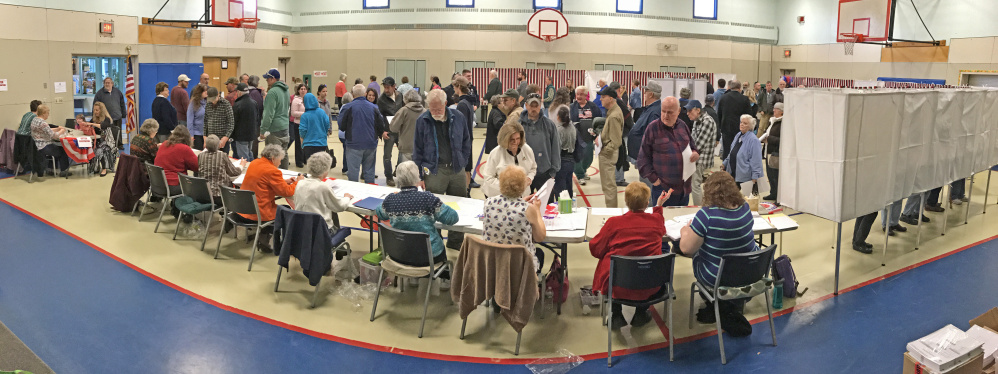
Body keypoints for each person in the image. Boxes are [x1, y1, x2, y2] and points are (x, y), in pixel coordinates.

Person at [678, 171, 757, 337]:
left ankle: (716, 305)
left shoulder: (706, 215)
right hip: (748, 274)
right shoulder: (745, 208)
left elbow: (686, 249)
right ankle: (729, 307)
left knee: (693, 251)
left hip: (719, 278)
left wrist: (685, 231)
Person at [590, 182, 670, 329]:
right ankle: (641, 312)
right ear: (647, 203)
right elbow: (660, 222)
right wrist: (658, 205)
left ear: (626, 202)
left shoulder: (614, 223)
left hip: (619, 285)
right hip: (651, 283)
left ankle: (616, 314)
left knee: (610, 261)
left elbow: (595, 249)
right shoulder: (656, 221)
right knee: (644, 266)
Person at [375, 161, 459, 275]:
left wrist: (391, 199)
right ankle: (442, 278)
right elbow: (452, 218)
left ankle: (413, 280)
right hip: (428, 258)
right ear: (417, 177)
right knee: (437, 239)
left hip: (398, 255)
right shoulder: (427, 198)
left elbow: (380, 213)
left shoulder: (391, 200)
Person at [413, 89, 471, 249]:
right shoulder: (422, 120)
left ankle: (456, 242)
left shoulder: (458, 117)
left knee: (460, 207)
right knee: (433, 208)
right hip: (433, 170)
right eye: (431, 109)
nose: (435, 112)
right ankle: (436, 241)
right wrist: (419, 176)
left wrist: (463, 160)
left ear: (446, 104)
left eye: (438, 109)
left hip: (456, 170)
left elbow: (467, 140)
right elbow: (417, 150)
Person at [237, 144, 303, 253]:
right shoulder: (272, 171)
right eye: (280, 160)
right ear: (273, 158)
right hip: (257, 213)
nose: (280, 163)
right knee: (286, 211)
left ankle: (264, 235)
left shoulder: (254, 163)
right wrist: (298, 182)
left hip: (242, 209)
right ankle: (281, 244)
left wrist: (284, 182)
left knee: (280, 208)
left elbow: (263, 181)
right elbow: (287, 192)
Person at [637, 97, 700, 206]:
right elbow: (642, 158)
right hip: (663, 190)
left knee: (681, 221)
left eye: (670, 112)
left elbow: (692, 146)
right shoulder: (652, 129)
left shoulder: (683, 126)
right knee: (663, 220)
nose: (666, 116)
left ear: (679, 111)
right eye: (663, 111)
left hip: (684, 190)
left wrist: (695, 153)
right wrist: (654, 179)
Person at [483, 166, 547, 273]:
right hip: (519, 265)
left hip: (493, 262)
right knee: (539, 253)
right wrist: (537, 211)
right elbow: (540, 237)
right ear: (523, 186)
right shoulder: (528, 209)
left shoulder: (488, 202)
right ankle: (531, 287)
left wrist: (520, 201)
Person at [339, 84, 386, 184]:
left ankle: (354, 196)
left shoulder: (347, 107)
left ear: (352, 94)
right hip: (370, 145)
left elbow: (341, 127)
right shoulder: (374, 107)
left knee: (353, 173)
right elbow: (381, 125)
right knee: (369, 172)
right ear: (365, 94)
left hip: (353, 145)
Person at [293, 152, 353, 230]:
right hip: (320, 231)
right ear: (325, 171)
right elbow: (340, 206)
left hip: (301, 228)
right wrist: (347, 198)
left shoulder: (300, 183)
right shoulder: (323, 187)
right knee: (333, 213)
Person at [520, 93, 561, 199]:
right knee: (524, 207)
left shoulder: (549, 125)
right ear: (526, 105)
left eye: (536, 105)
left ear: (540, 106)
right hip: (524, 174)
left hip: (544, 173)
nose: (534, 108)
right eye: (531, 105)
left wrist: (553, 171)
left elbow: (555, 148)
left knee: (548, 206)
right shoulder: (518, 125)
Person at [482, 122, 536, 198]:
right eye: (512, 139)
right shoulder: (495, 153)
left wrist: (529, 178)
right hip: (498, 196)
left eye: (518, 139)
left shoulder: (527, 150)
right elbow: (488, 178)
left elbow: (533, 168)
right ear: (505, 139)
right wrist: (509, 188)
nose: (515, 142)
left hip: (522, 195)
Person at [154, 125, 198, 218]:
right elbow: (197, 167)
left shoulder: (164, 144)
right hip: (173, 185)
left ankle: (176, 209)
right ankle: (188, 215)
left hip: (158, 183)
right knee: (195, 187)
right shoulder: (184, 149)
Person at [628, 81, 663, 184]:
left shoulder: (654, 112)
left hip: (647, 159)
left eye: (646, 91)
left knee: (647, 187)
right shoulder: (651, 109)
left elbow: (653, 138)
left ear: (651, 94)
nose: (644, 94)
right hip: (643, 157)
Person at [723, 115, 764, 196]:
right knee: (731, 197)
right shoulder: (738, 135)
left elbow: (756, 160)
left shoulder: (753, 140)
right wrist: (724, 163)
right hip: (733, 172)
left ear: (750, 127)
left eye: (745, 123)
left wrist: (755, 176)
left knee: (748, 200)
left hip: (746, 176)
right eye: (741, 122)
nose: (741, 124)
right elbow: (732, 152)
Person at [597, 86, 624, 207]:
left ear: (611, 99)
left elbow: (616, 141)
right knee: (608, 185)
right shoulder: (613, 112)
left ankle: (612, 213)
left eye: (603, 97)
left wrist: (604, 150)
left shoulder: (614, 116)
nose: (601, 99)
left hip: (608, 154)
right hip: (607, 152)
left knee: (609, 186)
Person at [260, 69, 291, 169]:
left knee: (272, 157)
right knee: (284, 154)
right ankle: (285, 176)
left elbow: (268, 114)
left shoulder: (272, 92)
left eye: (267, 79)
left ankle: (273, 179)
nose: (266, 81)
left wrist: (263, 130)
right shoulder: (286, 90)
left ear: (273, 79)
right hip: (285, 127)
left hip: (274, 129)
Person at [688, 100, 717, 206]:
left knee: (695, 184)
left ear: (698, 110)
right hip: (696, 156)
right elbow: (691, 140)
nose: (687, 113)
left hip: (702, 158)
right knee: (694, 184)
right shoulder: (697, 121)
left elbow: (699, 145)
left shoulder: (707, 121)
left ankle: (699, 209)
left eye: (690, 111)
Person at [452, 76, 479, 189]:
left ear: (458, 86)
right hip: (468, 137)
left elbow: (460, 125)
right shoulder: (468, 102)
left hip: (464, 139)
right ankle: (466, 189)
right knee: (467, 167)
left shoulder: (462, 104)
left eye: (454, 86)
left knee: (465, 167)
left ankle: (465, 190)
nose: (453, 89)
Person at [30, 105, 71, 177]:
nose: (48, 115)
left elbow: (45, 130)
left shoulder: (34, 120)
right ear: (43, 113)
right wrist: (61, 131)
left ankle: (50, 169)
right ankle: (64, 171)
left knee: (54, 147)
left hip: (36, 145)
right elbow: (53, 136)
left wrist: (57, 128)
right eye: (48, 113)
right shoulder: (43, 123)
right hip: (44, 146)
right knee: (62, 150)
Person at [717, 79, 753, 160]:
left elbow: (719, 114)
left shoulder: (723, 98)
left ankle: (726, 169)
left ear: (730, 87)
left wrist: (720, 127)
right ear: (740, 88)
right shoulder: (744, 99)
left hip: (726, 128)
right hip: (740, 129)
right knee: (739, 150)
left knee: (727, 150)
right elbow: (749, 115)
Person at [570, 86, 600, 185]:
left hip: (589, 137)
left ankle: (583, 170)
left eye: (581, 94)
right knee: (577, 157)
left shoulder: (593, 106)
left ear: (586, 95)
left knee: (588, 157)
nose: (579, 96)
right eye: (577, 94)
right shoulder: (571, 107)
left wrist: (597, 134)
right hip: (576, 138)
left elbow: (598, 120)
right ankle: (580, 175)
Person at [79, 102, 117, 177]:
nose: (95, 112)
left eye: (97, 110)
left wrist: (92, 124)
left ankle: (104, 168)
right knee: (91, 146)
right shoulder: (94, 119)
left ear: (101, 111)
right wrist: (83, 124)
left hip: (107, 140)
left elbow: (103, 126)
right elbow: (88, 125)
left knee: (100, 149)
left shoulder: (107, 119)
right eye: (94, 110)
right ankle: (95, 167)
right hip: (97, 140)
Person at [377, 77, 404, 186]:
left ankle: (397, 170)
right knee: (387, 156)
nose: (386, 90)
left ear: (394, 86)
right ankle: (389, 176)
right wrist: (382, 132)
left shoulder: (400, 96)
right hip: (388, 131)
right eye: (385, 87)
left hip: (400, 130)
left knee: (402, 153)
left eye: (388, 87)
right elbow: (379, 117)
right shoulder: (381, 99)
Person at [389, 89, 425, 165]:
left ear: (405, 99)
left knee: (405, 173)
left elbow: (393, 128)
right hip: (421, 148)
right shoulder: (425, 112)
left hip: (406, 148)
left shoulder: (404, 111)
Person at [552, 106, 578, 199]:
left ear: (558, 116)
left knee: (560, 189)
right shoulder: (572, 127)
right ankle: (569, 207)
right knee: (568, 186)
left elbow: (557, 148)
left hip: (562, 160)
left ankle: (561, 208)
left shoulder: (559, 130)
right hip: (571, 160)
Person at [93, 77, 125, 149]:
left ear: (112, 83)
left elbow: (122, 103)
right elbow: (95, 105)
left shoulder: (118, 92)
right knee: (108, 132)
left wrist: (123, 114)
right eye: (106, 83)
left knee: (118, 131)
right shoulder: (99, 93)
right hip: (106, 118)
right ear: (104, 84)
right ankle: (110, 145)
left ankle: (119, 144)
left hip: (117, 115)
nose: (107, 84)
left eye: (109, 82)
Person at [298, 92, 330, 162]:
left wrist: (302, 140)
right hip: (322, 143)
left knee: (312, 167)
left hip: (309, 145)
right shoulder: (322, 112)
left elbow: (302, 131)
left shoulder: (305, 116)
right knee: (320, 165)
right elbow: (327, 124)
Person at [204, 86, 234, 155]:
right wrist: (205, 137)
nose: (213, 101)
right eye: (211, 100)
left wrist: (225, 138)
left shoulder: (226, 104)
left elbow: (231, 123)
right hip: (211, 140)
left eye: (214, 99)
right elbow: (205, 122)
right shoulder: (208, 104)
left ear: (218, 94)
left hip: (222, 139)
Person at [762, 102, 783, 202]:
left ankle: (779, 197)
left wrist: (769, 139)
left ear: (782, 111)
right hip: (768, 151)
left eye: (776, 109)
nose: (774, 110)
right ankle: (773, 193)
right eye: (774, 108)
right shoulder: (772, 121)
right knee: (770, 175)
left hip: (775, 153)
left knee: (776, 176)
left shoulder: (782, 123)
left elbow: (782, 140)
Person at [290, 83, 308, 168]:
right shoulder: (295, 100)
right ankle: (299, 161)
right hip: (298, 124)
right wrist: (304, 114)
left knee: (306, 142)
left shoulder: (308, 99)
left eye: (304, 89)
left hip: (307, 124)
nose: (303, 90)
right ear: (298, 90)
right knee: (298, 143)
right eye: (301, 89)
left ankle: (305, 159)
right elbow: (293, 113)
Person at [247, 75, 265, 158]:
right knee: (254, 142)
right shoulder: (256, 93)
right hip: (255, 122)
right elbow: (260, 107)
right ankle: (253, 158)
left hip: (246, 121)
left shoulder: (246, 91)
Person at [186, 84, 207, 150]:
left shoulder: (206, 102)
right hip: (197, 134)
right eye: (204, 91)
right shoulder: (193, 104)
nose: (206, 92)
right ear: (199, 92)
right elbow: (190, 121)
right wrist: (191, 135)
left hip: (206, 134)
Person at [338, 92, 354, 174]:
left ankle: (346, 167)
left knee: (346, 150)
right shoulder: (347, 108)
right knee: (347, 151)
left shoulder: (342, 107)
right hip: (345, 133)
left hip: (341, 133)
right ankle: (345, 168)